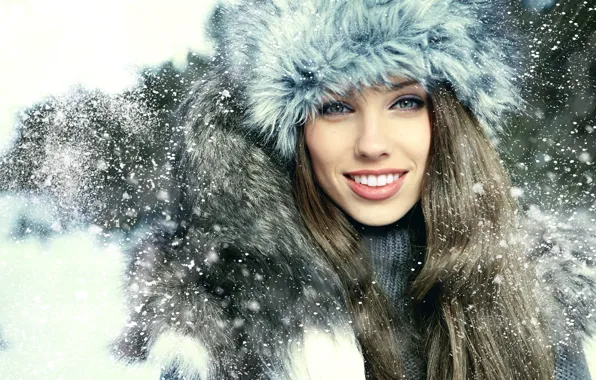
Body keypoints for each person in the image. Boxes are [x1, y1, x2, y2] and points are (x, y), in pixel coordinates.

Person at [112, 1, 595, 379]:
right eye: (336, 108)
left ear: (449, 121)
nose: (372, 144)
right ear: (293, 133)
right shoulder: (230, 319)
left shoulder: (531, 295)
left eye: (405, 102)